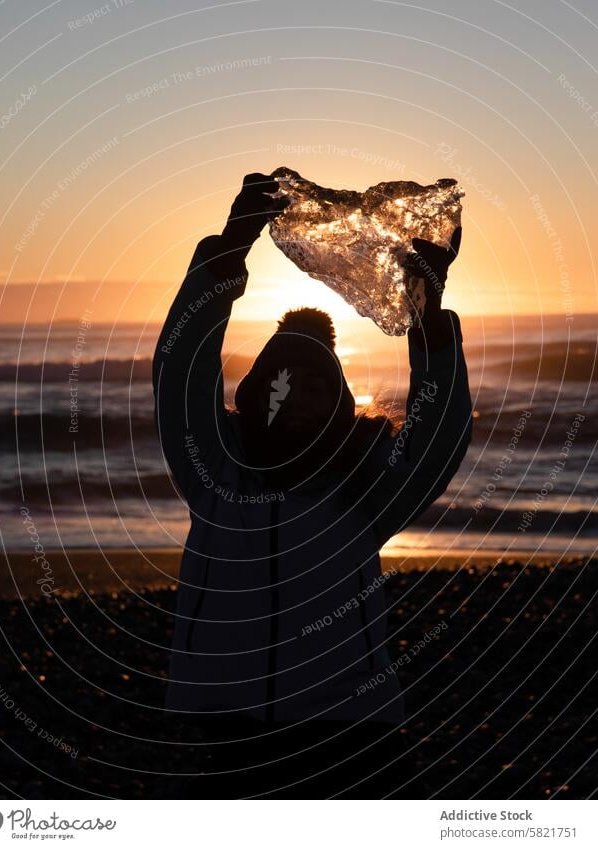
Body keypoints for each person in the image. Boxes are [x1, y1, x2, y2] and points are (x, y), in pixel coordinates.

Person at [152, 173, 472, 798]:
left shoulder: (364, 491)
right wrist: (231, 246)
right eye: (279, 383)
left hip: (350, 728)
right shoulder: (215, 473)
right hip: (223, 724)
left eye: (315, 386)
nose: (294, 399)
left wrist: (427, 309)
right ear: (250, 393)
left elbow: (438, 435)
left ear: (342, 404)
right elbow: (180, 369)